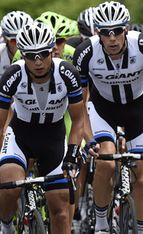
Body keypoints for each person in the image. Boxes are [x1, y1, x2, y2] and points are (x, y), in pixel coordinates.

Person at [0, 22, 84, 234]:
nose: (38, 61)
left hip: (54, 138)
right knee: (10, 186)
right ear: (22, 55)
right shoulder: (12, 75)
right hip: (21, 136)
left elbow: (78, 120)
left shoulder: (67, 72)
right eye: (31, 56)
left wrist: (72, 156)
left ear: (52, 51)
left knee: (60, 207)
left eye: (43, 54)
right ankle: (3, 226)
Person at [73, 1, 143, 233]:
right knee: (105, 161)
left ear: (126, 29)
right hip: (103, 108)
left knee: (142, 173)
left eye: (117, 31)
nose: (112, 38)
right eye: (105, 32)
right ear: (97, 33)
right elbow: (79, 103)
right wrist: (87, 137)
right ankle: (101, 225)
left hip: (138, 108)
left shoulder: (140, 44)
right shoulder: (86, 51)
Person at [0, 11, 33, 132]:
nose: (20, 45)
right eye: (14, 41)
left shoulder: (38, 58)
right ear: (5, 39)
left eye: (24, 39)